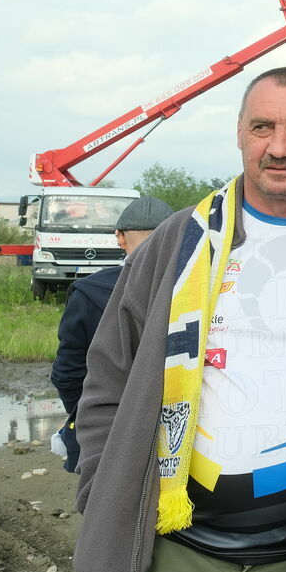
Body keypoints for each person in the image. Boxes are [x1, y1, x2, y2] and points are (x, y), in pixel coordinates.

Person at [72, 66, 286, 572]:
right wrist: (102, 487)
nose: (278, 146)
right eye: (262, 127)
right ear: (239, 132)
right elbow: (108, 372)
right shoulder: (179, 239)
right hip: (173, 549)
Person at [50, 196, 174, 472]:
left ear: (119, 237)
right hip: (183, 435)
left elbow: (68, 375)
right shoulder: (204, 289)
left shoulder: (88, 292)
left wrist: (88, 420)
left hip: (111, 434)